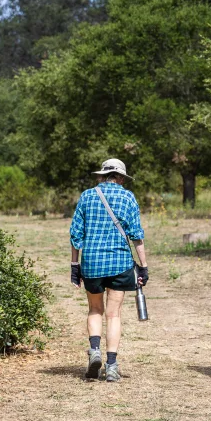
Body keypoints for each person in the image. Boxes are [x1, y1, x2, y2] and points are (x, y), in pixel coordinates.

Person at [69, 158, 149, 382]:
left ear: (102, 176)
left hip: (92, 263)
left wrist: (75, 266)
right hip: (120, 263)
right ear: (121, 177)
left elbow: (75, 235)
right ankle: (111, 365)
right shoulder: (127, 197)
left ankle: (94, 351)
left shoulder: (87, 196)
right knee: (114, 314)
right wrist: (143, 267)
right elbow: (137, 236)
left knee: (95, 310)